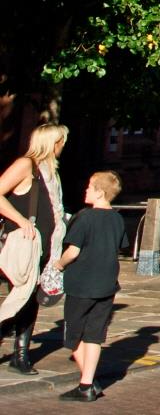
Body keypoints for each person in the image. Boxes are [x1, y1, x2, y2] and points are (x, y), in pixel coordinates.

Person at [0, 123, 68, 375]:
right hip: (22, 245)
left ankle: (20, 355)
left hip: (44, 247)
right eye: (61, 141)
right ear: (51, 142)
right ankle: (19, 354)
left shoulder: (51, 172)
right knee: (21, 296)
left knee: (31, 299)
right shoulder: (26, 165)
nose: (63, 146)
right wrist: (20, 220)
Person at [51, 170, 124, 403]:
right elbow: (118, 247)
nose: (86, 189)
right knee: (94, 336)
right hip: (106, 284)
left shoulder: (85, 217)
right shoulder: (118, 218)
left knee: (73, 336)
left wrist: (58, 265)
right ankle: (87, 383)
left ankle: (88, 383)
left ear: (100, 192)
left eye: (90, 186)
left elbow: (73, 251)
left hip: (82, 283)